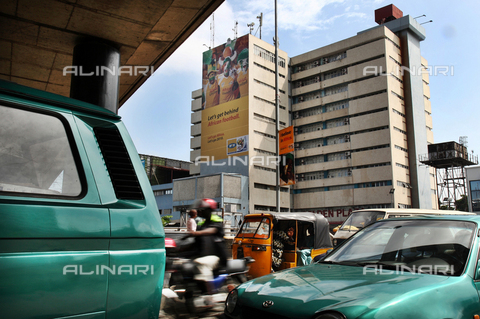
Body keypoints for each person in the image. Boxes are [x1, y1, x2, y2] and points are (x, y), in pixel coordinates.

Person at [184, 198, 227, 299]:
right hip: (204, 254)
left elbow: (211, 230)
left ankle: (209, 297)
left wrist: (195, 233)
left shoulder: (217, 221)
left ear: (209, 210)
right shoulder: (201, 224)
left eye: (202, 209)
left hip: (217, 256)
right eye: (199, 210)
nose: (200, 211)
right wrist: (177, 249)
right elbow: (195, 243)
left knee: (201, 263)